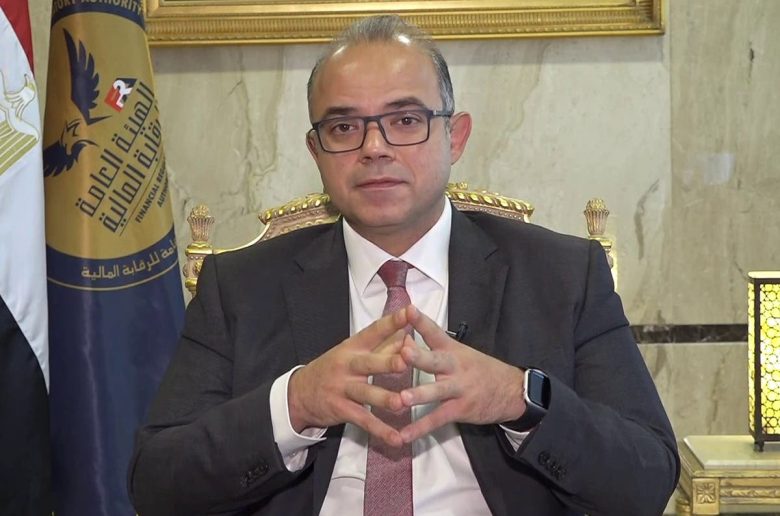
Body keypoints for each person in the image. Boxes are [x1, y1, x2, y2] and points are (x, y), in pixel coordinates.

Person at [128, 14, 679, 516]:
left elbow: (647, 480)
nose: (374, 147)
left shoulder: (563, 275)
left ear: (455, 137)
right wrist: (294, 403)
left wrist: (518, 399)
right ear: (316, 151)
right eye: (344, 128)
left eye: (406, 119)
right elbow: (157, 484)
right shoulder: (240, 287)